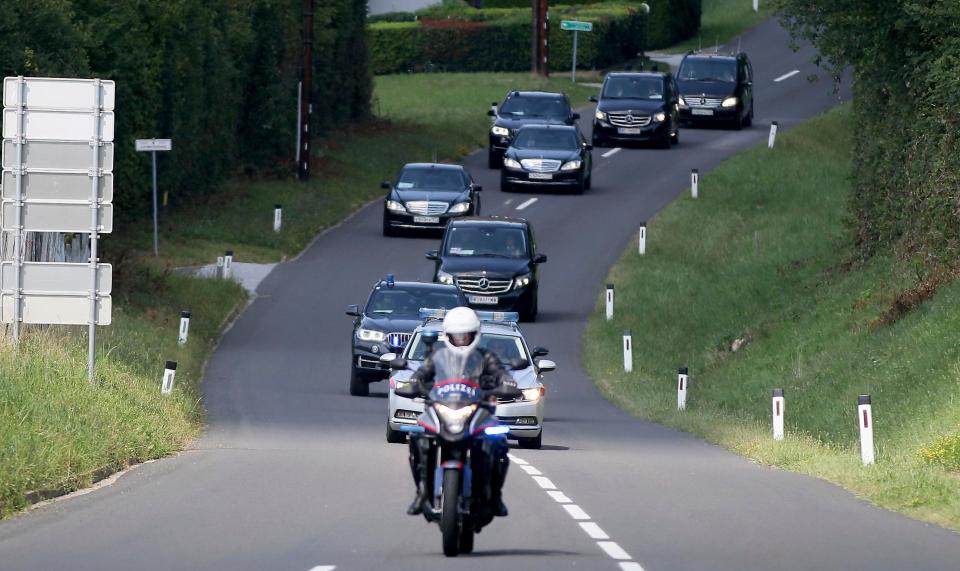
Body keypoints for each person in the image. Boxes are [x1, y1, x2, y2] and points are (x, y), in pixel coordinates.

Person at [406, 307, 517, 518]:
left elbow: (502, 374)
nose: (461, 340)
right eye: (456, 336)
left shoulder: (486, 357)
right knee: (418, 436)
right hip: (444, 410)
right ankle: (422, 492)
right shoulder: (438, 356)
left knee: (499, 442)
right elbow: (421, 373)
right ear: (447, 336)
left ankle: (495, 496)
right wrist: (413, 382)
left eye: (466, 336)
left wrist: (507, 383)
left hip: (478, 412)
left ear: (475, 335)